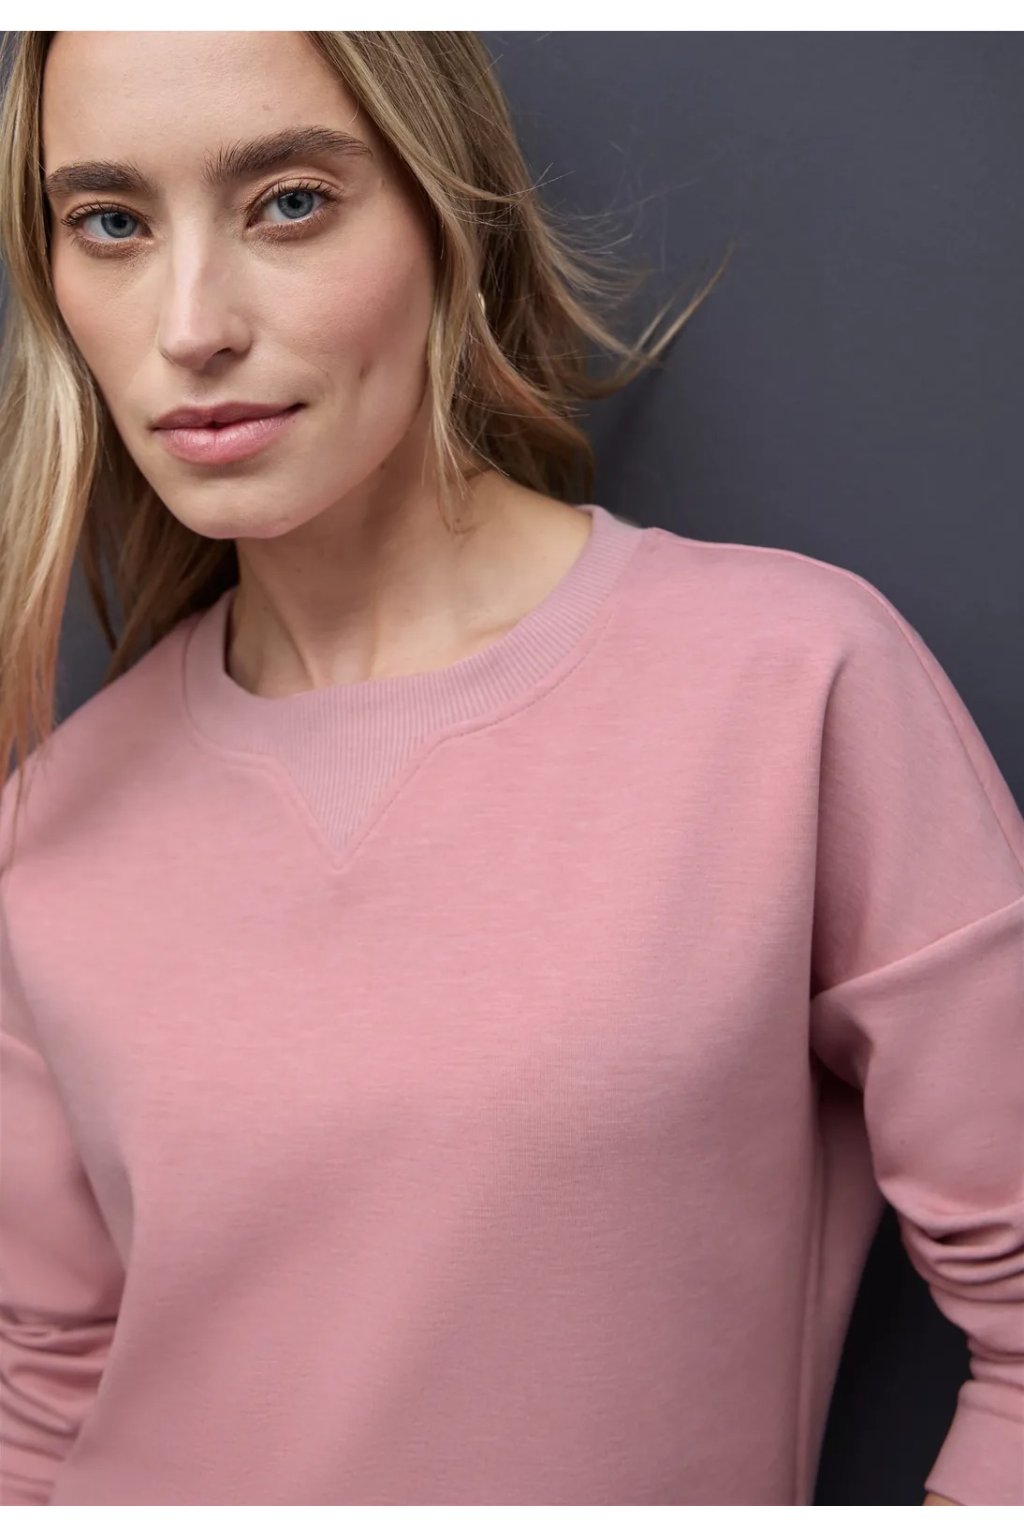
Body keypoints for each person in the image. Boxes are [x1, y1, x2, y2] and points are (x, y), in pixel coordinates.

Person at [0, 30, 1019, 1509]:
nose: (191, 324)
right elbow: (38, 1396)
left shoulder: (790, 685)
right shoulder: (48, 821)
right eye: (110, 222)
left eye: (290, 202)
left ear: (448, 214)